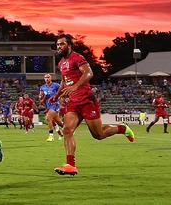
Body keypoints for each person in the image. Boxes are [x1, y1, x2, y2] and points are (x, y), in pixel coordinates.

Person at [50, 34, 134, 176]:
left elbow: (89, 73)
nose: (59, 47)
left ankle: (122, 128)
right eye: (58, 45)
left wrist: (76, 86)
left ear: (69, 45)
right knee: (67, 130)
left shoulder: (77, 57)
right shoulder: (61, 63)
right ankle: (70, 165)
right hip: (73, 102)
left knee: (98, 135)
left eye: (62, 44)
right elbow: (65, 82)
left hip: (87, 101)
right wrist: (57, 95)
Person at [39, 74, 63, 141]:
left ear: (51, 78)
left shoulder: (56, 85)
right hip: (48, 105)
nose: (47, 79)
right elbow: (41, 96)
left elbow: (62, 92)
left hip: (55, 104)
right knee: (57, 122)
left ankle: (51, 136)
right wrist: (41, 97)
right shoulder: (42, 87)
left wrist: (58, 97)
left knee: (48, 118)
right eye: (45, 77)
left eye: (48, 77)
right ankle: (66, 130)